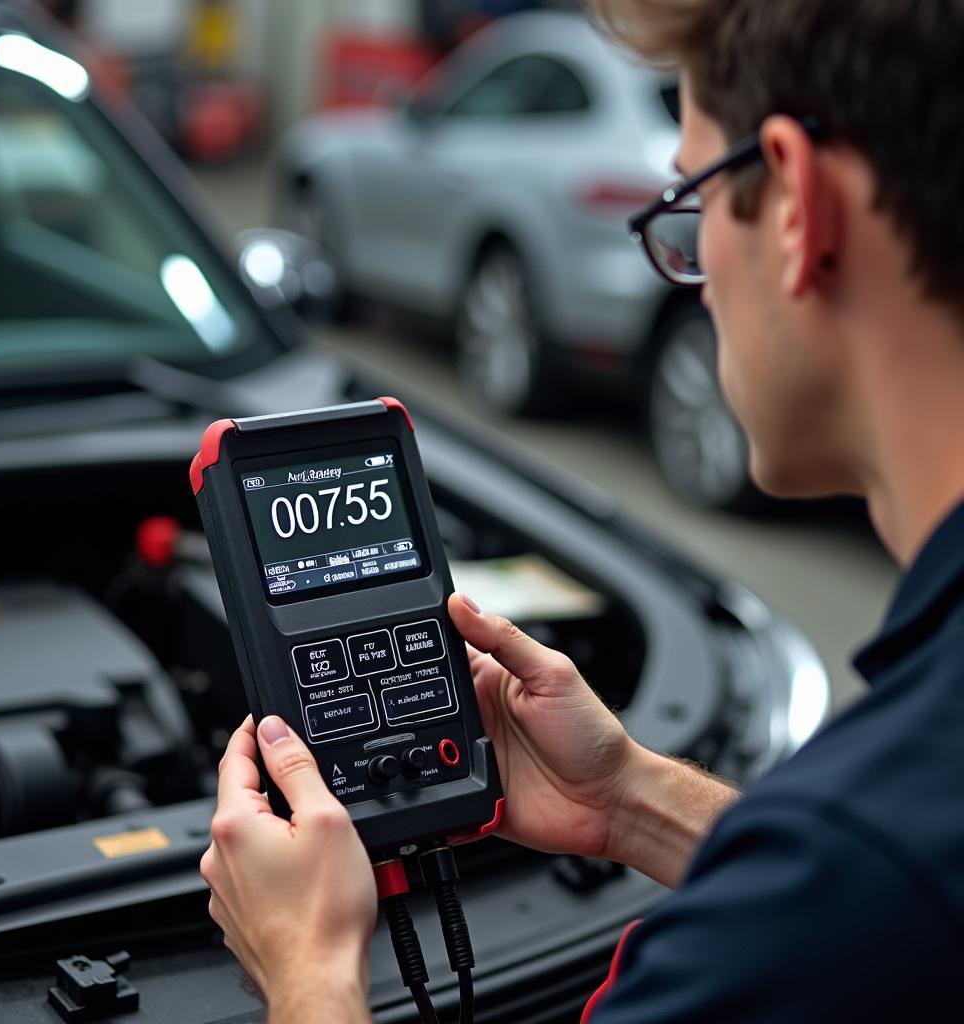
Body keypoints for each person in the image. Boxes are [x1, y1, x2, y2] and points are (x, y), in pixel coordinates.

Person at [200, 0, 964, 1019]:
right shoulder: (885, 828)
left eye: (687, 208)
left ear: (796, 207)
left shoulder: (813, 900)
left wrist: (305, 968)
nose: (695, 284)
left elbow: (852, 886)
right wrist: (629, 799)